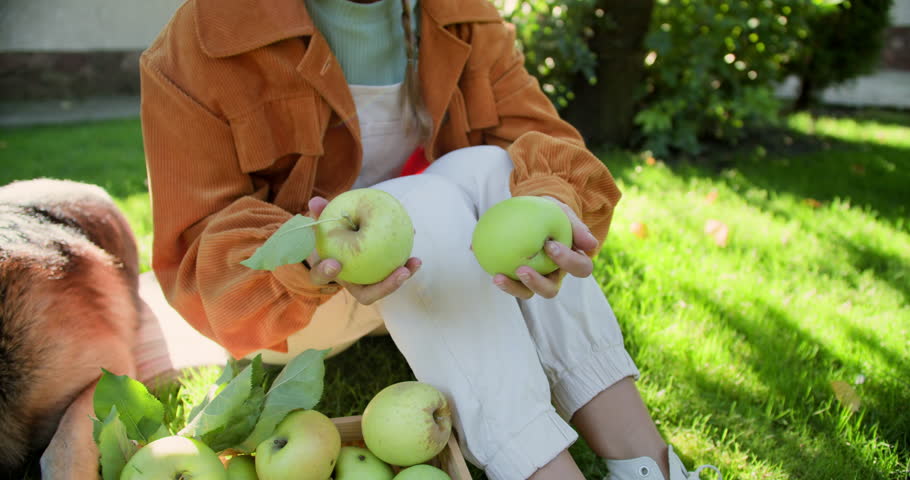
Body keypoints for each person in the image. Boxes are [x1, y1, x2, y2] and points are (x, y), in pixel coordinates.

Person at [140, 0, 722, 479]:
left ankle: (650, 465)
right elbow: (196, 248)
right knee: (423, 202)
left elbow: (536, 137)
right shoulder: (203, 40)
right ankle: (542, 468)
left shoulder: (457, 13)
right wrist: (305, 259)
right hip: (294, 302)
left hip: (437, 268)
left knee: (500, 171)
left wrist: (550, 209)